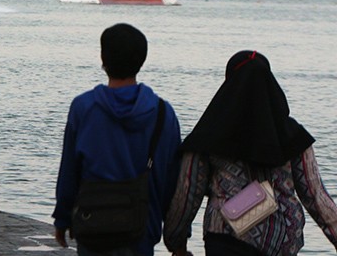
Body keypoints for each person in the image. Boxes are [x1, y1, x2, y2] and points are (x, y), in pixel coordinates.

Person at [164, 50, 337, 255]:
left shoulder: (207, 136)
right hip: (280, 241)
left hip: (225, 241)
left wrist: (177, 243)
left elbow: (187, 194)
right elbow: (316, 197)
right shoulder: (293, 137)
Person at [53, 23, 182, 255]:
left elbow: (70, 170)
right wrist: (173, 233)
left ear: (103, 58)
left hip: (93, 224)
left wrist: (62, 218)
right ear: (142, 60)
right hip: (141, 229)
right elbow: (171, 178)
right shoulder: (163, 112)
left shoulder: (84, 107)